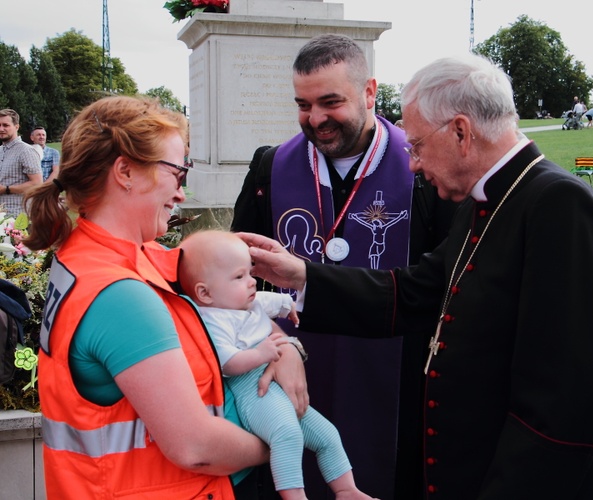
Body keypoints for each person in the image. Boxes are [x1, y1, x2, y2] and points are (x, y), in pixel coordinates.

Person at [241, 53, 593, 499]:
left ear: (461, 132)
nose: (411, 163)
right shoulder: (485, 199)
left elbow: (566, 397)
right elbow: (416, 292)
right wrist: (301, 276)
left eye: (416, 146)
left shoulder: (559, 204)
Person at [22, 96, 313, 499]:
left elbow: (187, 266)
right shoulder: (120, 295)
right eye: (178, 173)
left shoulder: (93, 256)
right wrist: (285, 439)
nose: (181, 193)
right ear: (125, 171)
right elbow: (195, 448)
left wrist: (288, 348)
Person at [230, 34, 454, 500]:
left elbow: (445, 278)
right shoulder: (271, 169)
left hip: (396, 374)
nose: (315, 120)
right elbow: (233, 277)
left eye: (331, 102)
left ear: (370, 91)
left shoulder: (421, 172)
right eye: (303, 105)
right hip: (287, 369)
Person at [179, 230, 374, 500]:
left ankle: (346, 490)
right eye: (239, 277)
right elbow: (228, 363)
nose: (251, 283)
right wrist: (263, 353)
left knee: (327, 435)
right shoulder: (213, 320)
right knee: (287, 434)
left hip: (274, 387)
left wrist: (288, 306)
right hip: (252, 389)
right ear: (205, 292)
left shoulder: (245, 302)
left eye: (249, 273)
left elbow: (275, 301)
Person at [0, 109, 42, 216]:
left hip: (18, 216)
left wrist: (6, 189)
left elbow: (37, 183)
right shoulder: (1, 150)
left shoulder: (26, 151)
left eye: (5, 125)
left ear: (16, 127)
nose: (1, 129)